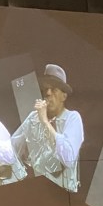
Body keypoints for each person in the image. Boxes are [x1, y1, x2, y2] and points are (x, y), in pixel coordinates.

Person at [11, 64, 84, 193]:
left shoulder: (72, 118)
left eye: (54, 89)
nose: (48, 93)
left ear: (64, 96)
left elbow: (68, 158)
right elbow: (13, 147)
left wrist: (45, 122)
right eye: (45, 89)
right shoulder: (34, 117)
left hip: (62, 194)